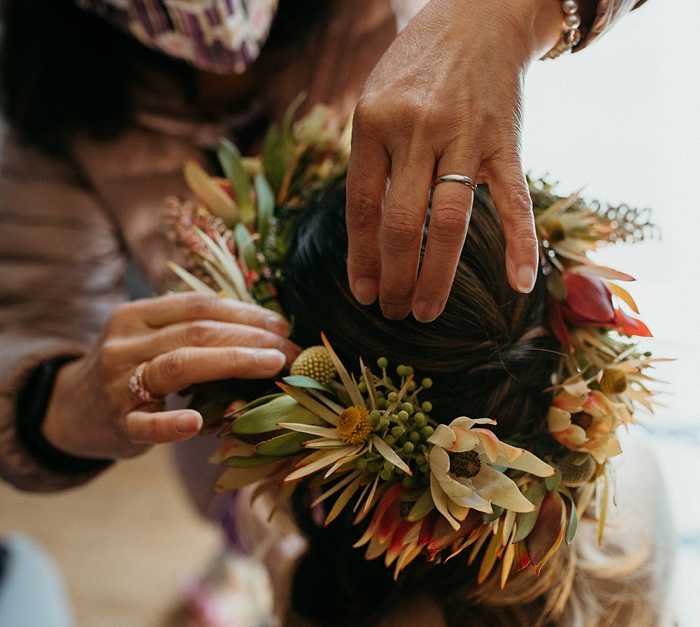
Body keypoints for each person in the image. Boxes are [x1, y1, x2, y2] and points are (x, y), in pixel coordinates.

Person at [0, 0, 647, 493]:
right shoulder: (41, 106)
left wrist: (513, 14)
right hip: (222, 438)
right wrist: (56, 404)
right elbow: (30, 324)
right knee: (234, 508)